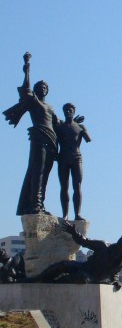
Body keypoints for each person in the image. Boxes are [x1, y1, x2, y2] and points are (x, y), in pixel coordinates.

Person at [4, 53, 59, 216]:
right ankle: (34, 204)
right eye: (40, 87)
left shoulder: (50, 107)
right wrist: (27, 69)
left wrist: (73, 123)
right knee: (37, 172)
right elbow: (26, 90)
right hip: (39, 139)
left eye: (45, 87)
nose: (43, 88)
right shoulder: (34, 101)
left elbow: (58, 124)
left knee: (45, 174)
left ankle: (40, 204)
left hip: (52, 142)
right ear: (36, 90)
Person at [30, 221, 122, 290]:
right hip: (85, 267)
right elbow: (84, 242)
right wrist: (74, 233)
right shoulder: (103, 246)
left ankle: (52, 286)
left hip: (93, 278)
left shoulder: (121, 261)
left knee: (79, 277)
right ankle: (37, 279)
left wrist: (115, 281)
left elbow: (114, 273)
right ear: (119, 239)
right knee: (64, 264)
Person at [56, 103, 91, 220]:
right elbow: (54, 140)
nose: (68, 112)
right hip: (63, 157)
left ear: (74, 111)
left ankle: (77, 214)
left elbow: (88, 139)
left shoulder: (80, 127)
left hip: (76, 157)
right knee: (64, 186)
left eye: (70, 110)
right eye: (66, 110)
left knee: (77, 185)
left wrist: (82, 129)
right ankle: (65, 214)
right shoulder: (59, 127)